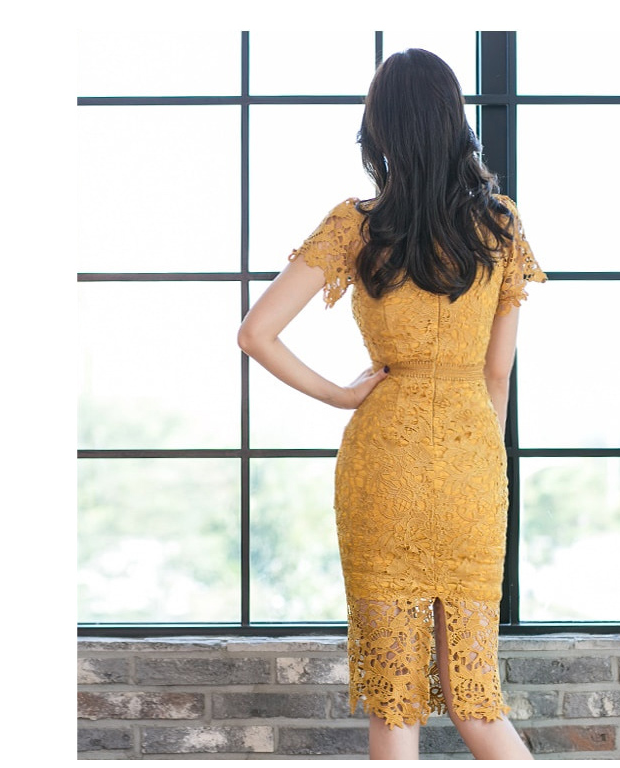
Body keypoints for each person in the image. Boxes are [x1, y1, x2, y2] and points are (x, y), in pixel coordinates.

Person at [238, 48, 545, 760]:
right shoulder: (500, 225)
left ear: (379, 130)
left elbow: (256, 334)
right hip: (473, 469)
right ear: (454, 122)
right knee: (475, 697)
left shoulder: (355, 224)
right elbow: (498, 374)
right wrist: (482, 464)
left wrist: (344, 395)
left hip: (384, 465)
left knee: (395, 700)